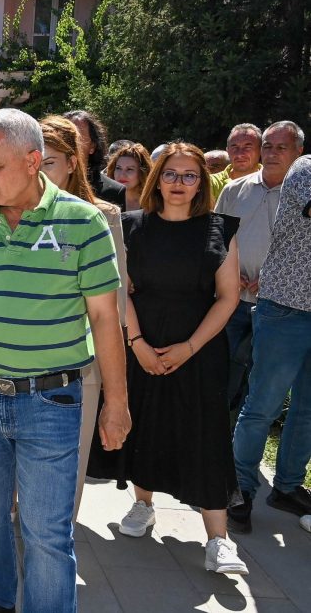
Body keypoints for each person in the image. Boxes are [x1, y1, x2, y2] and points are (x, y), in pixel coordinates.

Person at [0, 108, 129, 613]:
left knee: (47, 531)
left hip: (51, 401)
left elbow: (105, 318)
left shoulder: (84, 222)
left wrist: (116, 402)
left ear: (34, 161)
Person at [87, 142, 249, 575]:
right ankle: (143, 505)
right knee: (146, 422)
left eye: (189, 175)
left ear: (201, 183)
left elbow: (228, 297)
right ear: (157, 179)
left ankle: (218, 539)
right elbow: (119, 291)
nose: (179, 183)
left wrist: (190, 347)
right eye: (171, 174)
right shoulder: (131, 226)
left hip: (200, 347)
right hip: (142, 341)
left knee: (206, 436)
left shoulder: (220, 229)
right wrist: (137, 344)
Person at [40, 115, 130, 519]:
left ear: (72, 163)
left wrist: (116, 398)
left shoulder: (102, 216)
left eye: (49, 162)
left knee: (63, 484)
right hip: (12, 369)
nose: (38, 172)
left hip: (78, 370)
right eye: (31, 161)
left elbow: (114, 310)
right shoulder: (4, 213)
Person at [228, 151, 311, 535]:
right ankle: (240, 488)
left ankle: (287, 486)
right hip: (285, 308)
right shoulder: (305, 169)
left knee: (307, 409)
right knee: (263, 405)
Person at [215, 121, 302, 416]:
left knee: (257, 380)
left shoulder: (302, 197)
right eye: (267, 146)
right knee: (221, 370)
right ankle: (215, 430)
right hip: (231, 299)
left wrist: (275, 278)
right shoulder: (234, 189)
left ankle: (242, 437)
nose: (273, 153)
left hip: (277, 304)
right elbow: (215, 238)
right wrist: (228, 272)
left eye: (282, 147)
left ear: (298, 152)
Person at [64, 109, 127, 209]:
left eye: (77, 137)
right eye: (65, 136)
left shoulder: (113, 192)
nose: (70, 143)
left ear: (92, 146)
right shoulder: (46, 184)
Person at [211, 123, 263, 201]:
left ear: (261, 150)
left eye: (248, 147)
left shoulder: (273, 182)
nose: (240, 154)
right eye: (234, 147)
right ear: (227, 150)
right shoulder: (211, 183)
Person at [106, 143, 152, 211]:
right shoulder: (104, 201)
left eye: (129, 169)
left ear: (143, 172)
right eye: (118, 168)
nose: (122, 175)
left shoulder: (154, 204)